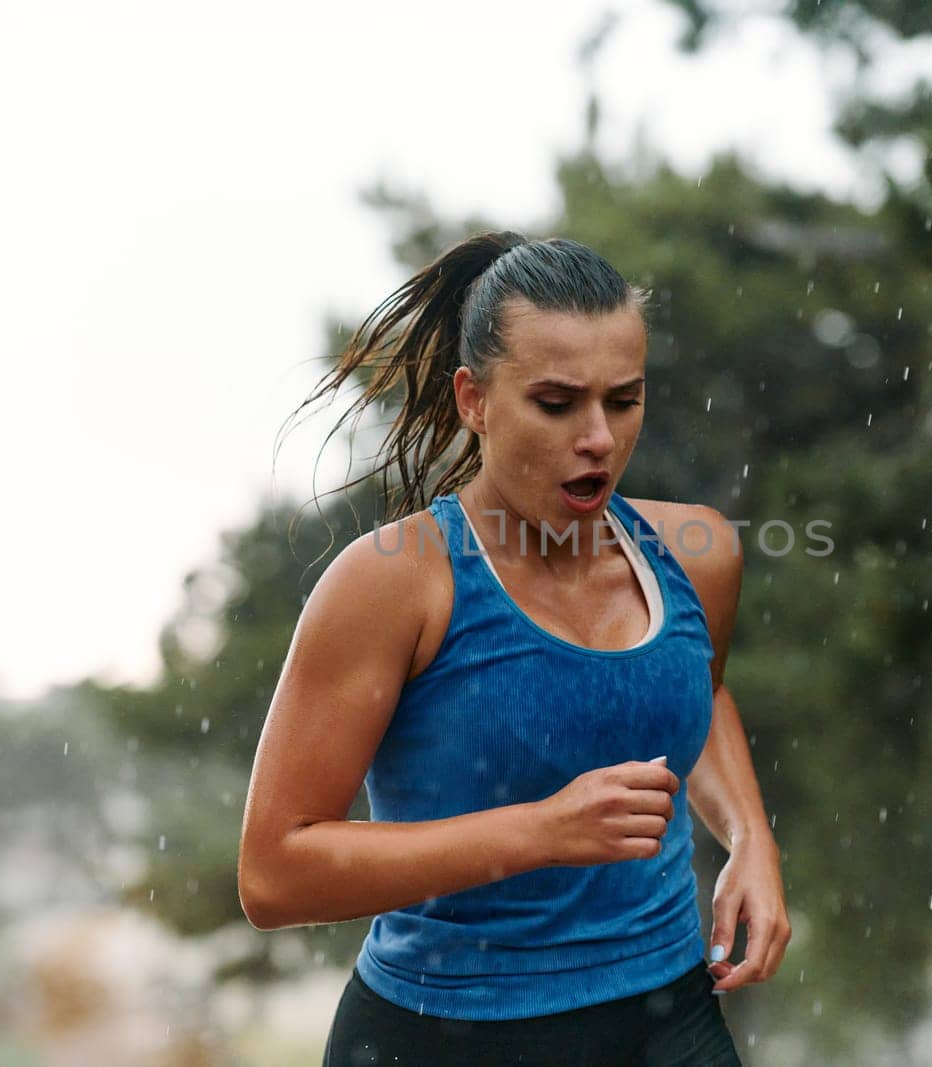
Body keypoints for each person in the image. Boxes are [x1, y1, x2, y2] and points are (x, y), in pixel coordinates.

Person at [237, 231, 789, 1065]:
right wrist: (539, 832)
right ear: (473, 398)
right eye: (558, 403)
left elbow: (696, 692)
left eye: (624, 399)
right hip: (442, 1036)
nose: (599, 436)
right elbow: (275, 874)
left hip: (669, 1022)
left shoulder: (697, 554)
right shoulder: (395, 584)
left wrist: (750, 837)